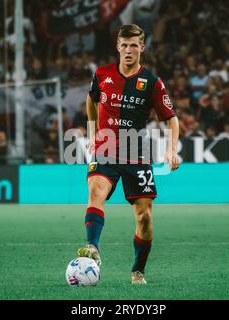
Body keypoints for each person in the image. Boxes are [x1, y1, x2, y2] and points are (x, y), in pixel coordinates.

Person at [77, 24, 179, 285]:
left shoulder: (153, 83)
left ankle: (138, 270)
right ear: (118, 47)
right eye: (124, 45)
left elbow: (172, 119)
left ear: (142, 48)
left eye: (134, 45)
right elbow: (91, 100)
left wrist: (171, 150)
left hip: (137, 154)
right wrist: (92, 133)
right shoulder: (101, 75)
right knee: (95, 190)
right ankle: (92, 247)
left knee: (144, 217)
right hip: (106, 149)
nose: (129, 50)